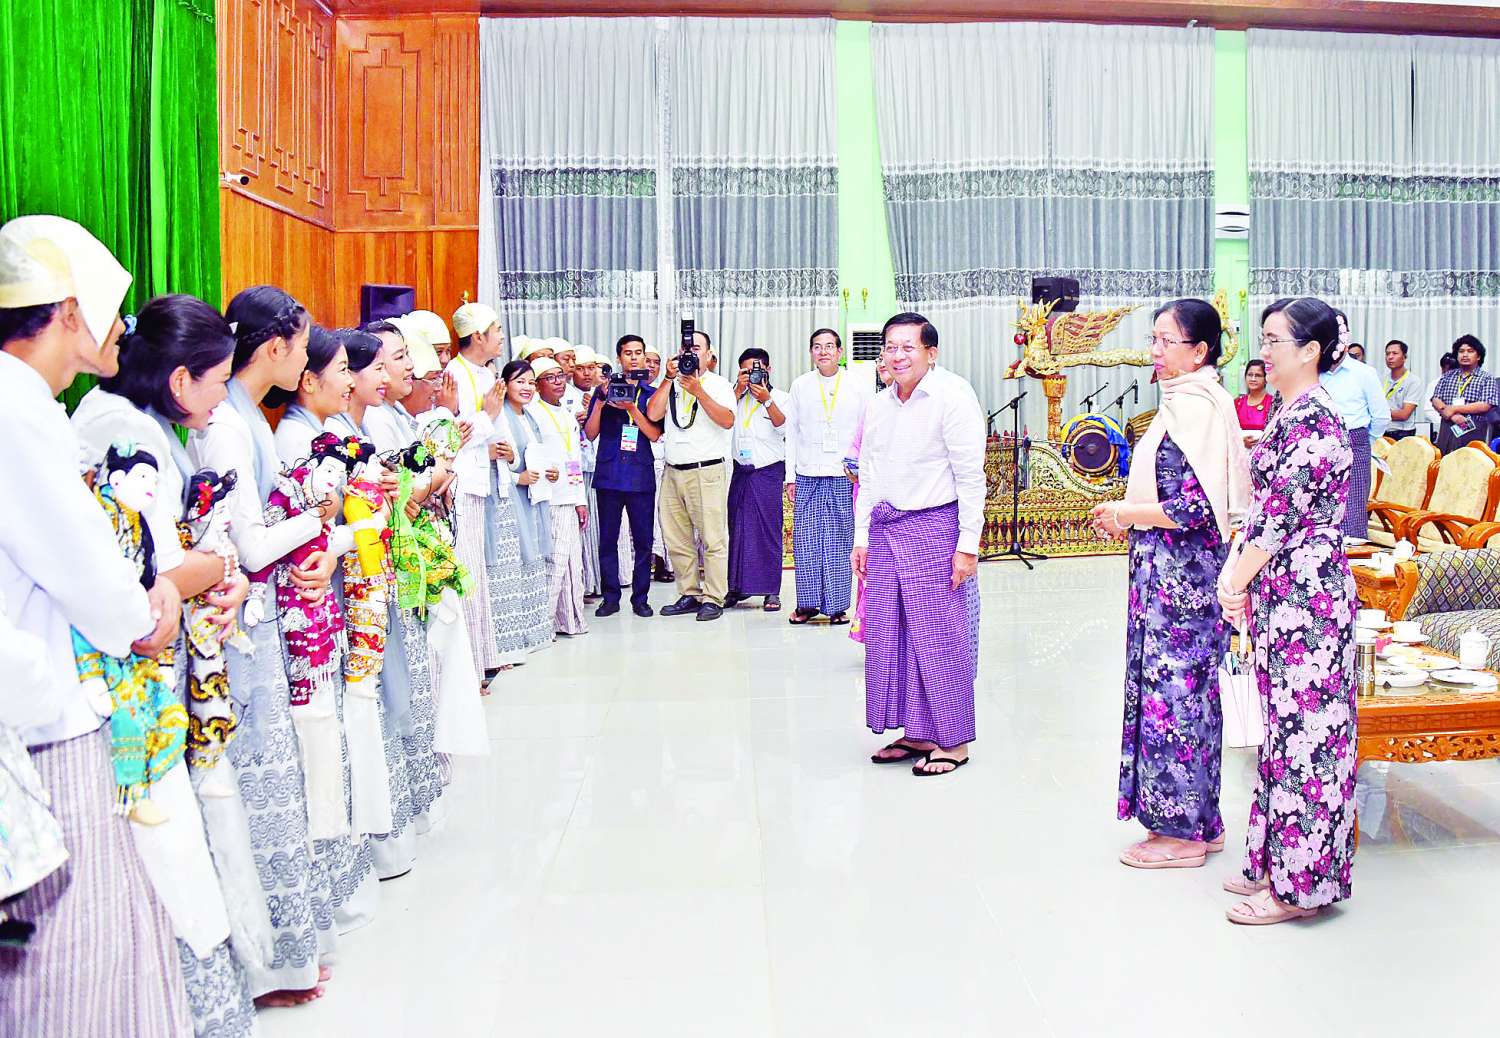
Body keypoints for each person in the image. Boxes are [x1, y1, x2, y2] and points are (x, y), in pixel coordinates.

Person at [0, 216, 194, 1035]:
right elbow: (86, 571)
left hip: (43, 703)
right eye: (114, 311)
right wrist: (153, 608)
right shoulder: (20, 409)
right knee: (73, 957)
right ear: (69, 312)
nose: (125, 329)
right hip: (46, 720)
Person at [73, 294, 263, 1034]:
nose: (221, 401)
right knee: (167, 839)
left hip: (165, 654)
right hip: (135, 674)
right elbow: (156, 576)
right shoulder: (126, 433)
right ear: (181, 380)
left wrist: (217, 568)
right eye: (217, 384)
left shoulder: (137, 419)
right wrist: (222, 564)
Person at [1089, 299, 1250, 869]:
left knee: (1176, 698)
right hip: (1164, 572)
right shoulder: (1184, 402)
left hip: (1183, 582)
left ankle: (1182, 835)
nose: (1154, 351)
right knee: (1184, 696)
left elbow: (1196, 507)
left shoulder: (1198, 407)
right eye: (1152, 339)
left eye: (1166, 341)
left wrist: (1126, 513)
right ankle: (1201, 822)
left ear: (1200, 351)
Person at [1217, 296, 1357, 925]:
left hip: (1309, 597)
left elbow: (1278, 519)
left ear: (1311, 351)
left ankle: (1299, 889)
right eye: (1264, 339)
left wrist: (1233, 581)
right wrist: (1244, 580)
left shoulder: (1316, 420)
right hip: (1285, 591)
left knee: (1309, 740)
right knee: (1281, 733)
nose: (1264, 352)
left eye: (1275, 341)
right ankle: (1272, 862)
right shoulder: (1289, 411)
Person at [854, 312, 985, 777]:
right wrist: (862, 537)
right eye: (890, 347)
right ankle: (918, 732)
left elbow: (970, 476)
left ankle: (954, 741)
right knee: (893, 634)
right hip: (886, 529)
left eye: (908, 347)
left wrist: (967, 546)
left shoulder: (953, 395)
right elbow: (869, 474)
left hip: (935, 529)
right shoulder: (880, 404)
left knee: (940, 636)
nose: (897, 355)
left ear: (931, 352)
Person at [645, 326, 736, 621]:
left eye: (697, 349)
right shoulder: (672, 382)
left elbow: (727, 420)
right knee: (677, 538)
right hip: (673, 471)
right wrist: (667, 379)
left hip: (706, 470)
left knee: (713, 539)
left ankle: (714, 597)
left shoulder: (719, 384)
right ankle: (689, 593)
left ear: (709, 355)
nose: (691, 354)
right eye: (687, 349)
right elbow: (653, 414)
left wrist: (698, 391)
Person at [444, 308, 514, 682]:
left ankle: (484, 656)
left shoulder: (487, 374)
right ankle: (470, 667)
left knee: (480, 572)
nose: (501, 336)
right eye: (495, 330)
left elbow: (496, 425)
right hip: (460, 484)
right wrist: (486, 418)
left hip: (485, 483)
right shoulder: (453, 375)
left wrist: (506, 449)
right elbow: (453, 436)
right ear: (477, 337)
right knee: (467, 571)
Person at [786, 328, 872, 626]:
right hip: (807, 474)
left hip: (843, 475)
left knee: (839, 541)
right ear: (811, 352)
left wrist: (862, 471)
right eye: (817, 347)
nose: (823, 352)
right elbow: (791, 433)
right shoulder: (800, 385)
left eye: (829, 346)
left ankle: (837, 606)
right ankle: (807, 604)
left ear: (840, 352)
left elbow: (867, 431)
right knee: (806, 541)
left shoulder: (858, 385)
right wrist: (790, 476)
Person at [585, 334, 662, 617]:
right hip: (610, 473)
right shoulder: (604, 390)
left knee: (643, 540)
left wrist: (631, 408)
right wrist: (601, 402)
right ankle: (610, 598)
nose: (634, 357)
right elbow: (590, 433)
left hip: (640, 475)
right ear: (619, 358)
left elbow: (654, 434)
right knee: (607, 539)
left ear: (644, 357)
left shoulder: (652, 394)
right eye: (628, 353)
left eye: (638, 353)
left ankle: (640, 598)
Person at [497, 360, 558, 646]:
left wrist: (549, 471)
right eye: (520, 381)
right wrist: (516, 476)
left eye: (531, 382)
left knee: (535, 560)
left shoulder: (530, 417)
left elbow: (536, 455)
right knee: (520, 562)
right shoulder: (501, 416)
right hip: (514, 499)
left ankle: (537, 631)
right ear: (505, 384)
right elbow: (497, 465)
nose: (527, 388)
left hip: (534, 498)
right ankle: (518, 637)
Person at [726, 348, 790, 611]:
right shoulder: (734, 397)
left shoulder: (781, 397)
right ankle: (736, 588)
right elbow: (721, 420)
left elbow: (784, 427)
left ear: (768, 370)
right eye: (746, 370)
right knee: (737, 530)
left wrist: (767, 400)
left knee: (768, 531)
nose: (752, 375)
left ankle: (771, 591)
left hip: (768, 472)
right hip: (740, 471)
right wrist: (736, 390)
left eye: (757, 369)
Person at [530, 357, 590, 635]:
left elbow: (574, 458)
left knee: (572, 564)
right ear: (537, 384)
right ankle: (543, 626)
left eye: (560, 376)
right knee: (554, 563)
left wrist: (580, 500)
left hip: (569, 496)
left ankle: (569, 621)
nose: (558, 382)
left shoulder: (566, 413)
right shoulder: (532, 413)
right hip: (549, 499)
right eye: (550, 378)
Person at [1318, 310, 1389, 537]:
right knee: (1319, 511)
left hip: (1354, 444)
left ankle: (1354, 557)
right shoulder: (1312, 373)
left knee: (1352, 510)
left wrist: (1362, 441)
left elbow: (1381, 416)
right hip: (1317, 446)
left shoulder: (1364, 373)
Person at [1431, 334, 1498, 453]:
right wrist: (1453, 416)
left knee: (1470, 460)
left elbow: (1486, 404)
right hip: (1447, 425)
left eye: (1470, 351)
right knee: (1444, 459)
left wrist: (1454, 409)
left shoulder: (1486, 378)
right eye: (1461, 351)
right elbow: (1435, 399)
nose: (1465, 355)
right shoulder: (1447, 376)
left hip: (1473, 426)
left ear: (1478, 356)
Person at [642, 344, 672, 583]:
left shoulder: (664, 391)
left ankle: (663, 563)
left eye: (656, 362)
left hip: (664, 461)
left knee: (664, 515)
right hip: (640, 463)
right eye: (648, 361)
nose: (651, 366)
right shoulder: (628, 391)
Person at [1383, 339, 1421, 441]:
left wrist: (1378, 413)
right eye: (1387, 354)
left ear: (1404, 357)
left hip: (1402, 433)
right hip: (1382, 431)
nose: (1390, 357)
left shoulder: (1413, 381)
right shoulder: (1382, 379)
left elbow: (1404, 414)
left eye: (1394, 353)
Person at [1234, 359, 1271, 444]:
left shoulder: (1273, 403)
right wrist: (1241, 440)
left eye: (1258, 375)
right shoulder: (1237, 403)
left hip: (1264, 449)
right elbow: (1229, 430)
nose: (1253, 379)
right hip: (1240, 449)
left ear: (1266, 379)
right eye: (1250, 375)